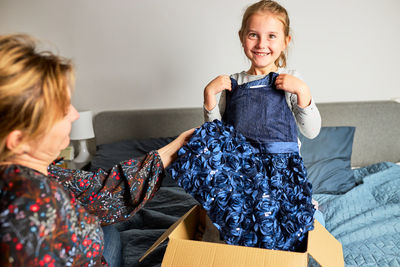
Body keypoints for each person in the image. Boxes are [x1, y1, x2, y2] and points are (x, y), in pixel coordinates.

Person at [0, 34, 194, 267]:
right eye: (62, 111)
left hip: (89, 240)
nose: (74, 115)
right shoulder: (30, 205)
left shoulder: (38, 174)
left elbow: (97, 192)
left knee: (107, 223)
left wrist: (176, 146)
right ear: (19, 140)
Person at [168, 0, 323, 251]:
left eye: (272, 36)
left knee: (301, 224)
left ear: (286, 41)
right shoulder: (233, 84)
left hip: (279, 175)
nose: (262, 44)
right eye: (254, 35)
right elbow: (216, 139)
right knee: (224, 227)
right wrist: (209, 98)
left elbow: (312, 130)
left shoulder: (292, 80)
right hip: (239, 175)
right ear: (242, 37)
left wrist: (302, 92)